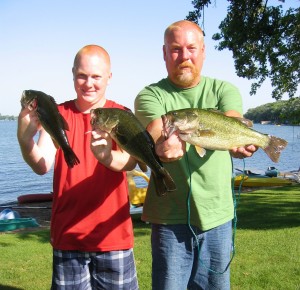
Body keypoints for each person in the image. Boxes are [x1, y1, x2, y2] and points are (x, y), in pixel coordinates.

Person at [134, 20, 257, 290]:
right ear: (164, 53)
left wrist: (240, 143)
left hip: (218, 218)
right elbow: (155, 130)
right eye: (176, 49)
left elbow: (233, 120)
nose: (185, 56)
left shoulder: (224, 90)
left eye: (191, 48)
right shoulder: (150, 95)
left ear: (202, 51)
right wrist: (160, 148)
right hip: (169, 220)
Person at [17, 45, 139, 289]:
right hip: (68, 237)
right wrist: (24, 140)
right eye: (82, 75)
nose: (89, 83)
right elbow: (42, 164)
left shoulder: (121, 114)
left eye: (96, 77)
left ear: (109, 77)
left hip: (112, 236)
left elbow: (131, 160)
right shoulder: (57, 113)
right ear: (73, 74)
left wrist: (107, 158)